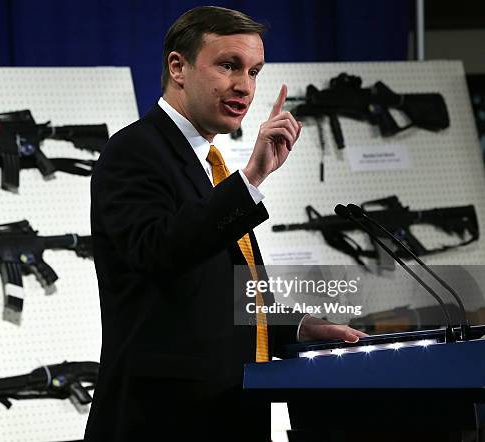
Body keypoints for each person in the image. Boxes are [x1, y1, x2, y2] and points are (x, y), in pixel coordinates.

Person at [85, 6, 366, 441]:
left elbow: (213, 298)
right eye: (229, 66)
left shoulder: (209, 167)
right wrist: (250, 179)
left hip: (227, 415)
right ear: (178, 67)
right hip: (163, 422)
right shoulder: (133, 151)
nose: (245, 87)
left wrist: (295, 328)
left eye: (254, 72)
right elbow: (160, 253)